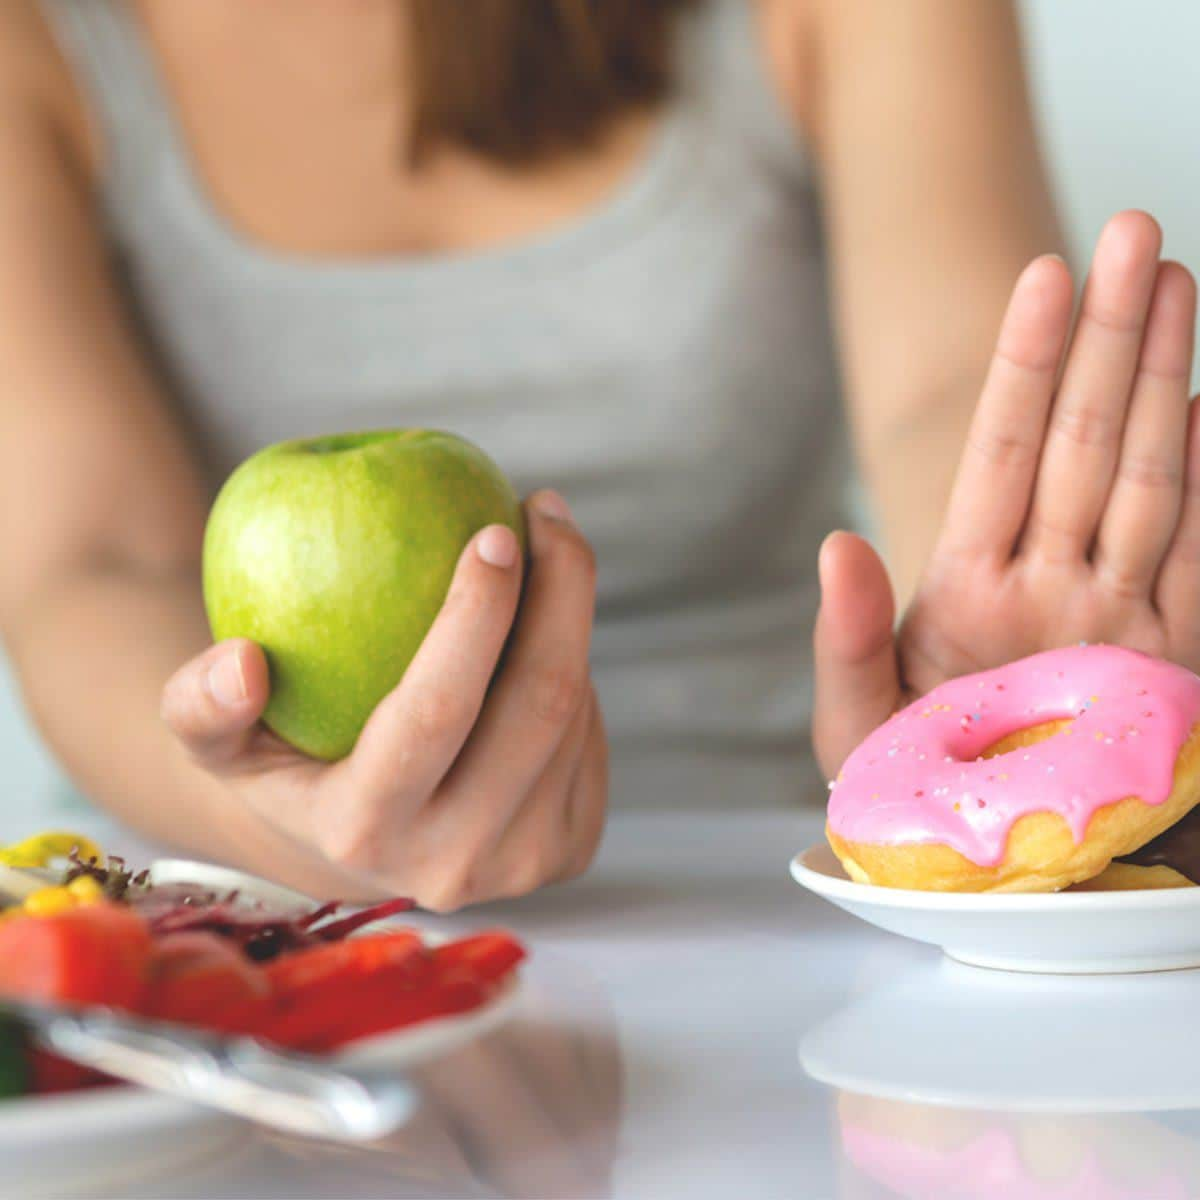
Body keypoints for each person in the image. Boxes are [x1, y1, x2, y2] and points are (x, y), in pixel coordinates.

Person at [0, 1, 1195, 909]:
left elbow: (948, 391)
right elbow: (87, 561)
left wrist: (1010, 662)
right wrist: (288, 833)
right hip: (225, 931)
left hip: (762, 905)